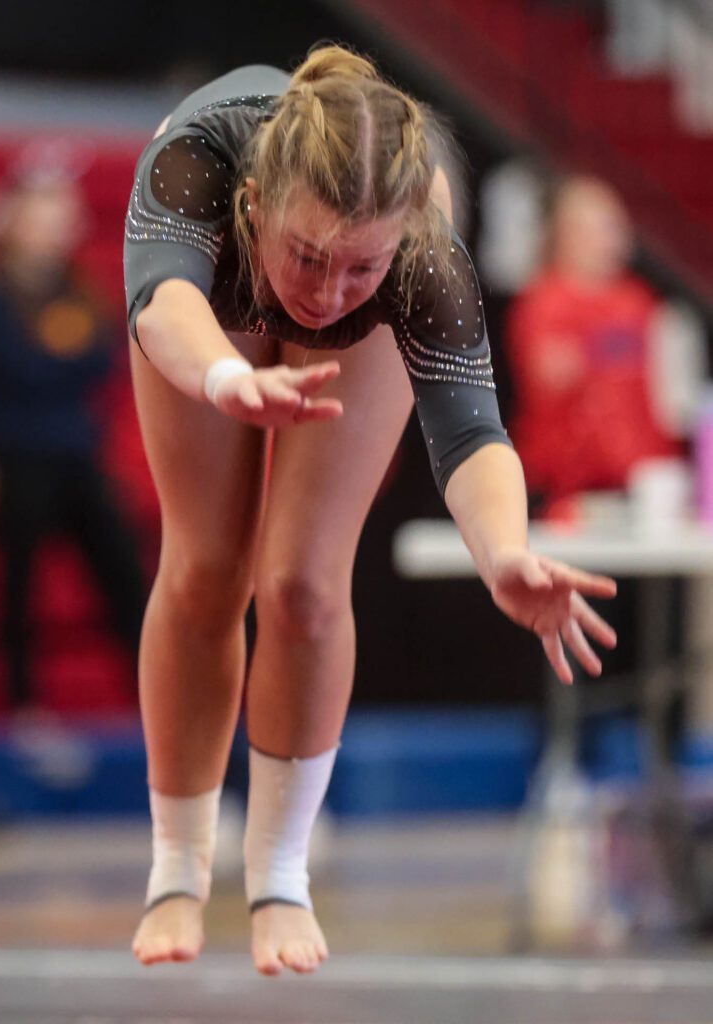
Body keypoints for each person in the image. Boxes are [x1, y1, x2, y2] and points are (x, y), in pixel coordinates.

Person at [123, 44, 618, 976]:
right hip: (211, 305)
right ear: (263, 206)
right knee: (206, 568)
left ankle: (278, 875)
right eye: (309, 257)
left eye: (360, 269)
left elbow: (471, 435)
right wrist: (228, 376)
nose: (325, 293)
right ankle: (177, 866)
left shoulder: (423, 257)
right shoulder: (194, 170)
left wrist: (504, 552)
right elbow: (163, 306)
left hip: (337, 302)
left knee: (306, 584)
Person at [0, 162, 148, 723]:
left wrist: (58, 361)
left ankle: (154, 694)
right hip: (19, 458)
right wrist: (60, 361)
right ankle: (22, 704)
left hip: (77, 456)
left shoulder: (80, 290)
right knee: (19, 587)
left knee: (123, 574)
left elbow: (100, 360)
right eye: (43, 214)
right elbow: (18, 369)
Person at [504, 175, 690, 514]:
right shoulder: (542, 301)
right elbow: (550, 372)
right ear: (563, 234)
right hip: (564, 486)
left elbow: (664, 387)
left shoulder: (640, 302)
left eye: (613, 228)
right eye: (596, 229)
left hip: (637, 480)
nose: (608, 241)